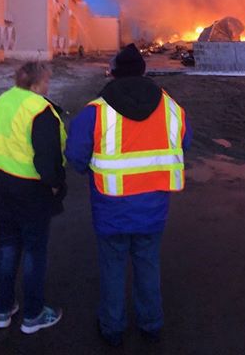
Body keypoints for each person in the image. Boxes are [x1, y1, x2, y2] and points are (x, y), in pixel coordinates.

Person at [66, 44, 191, 347]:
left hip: (111, 209)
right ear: (143, 71)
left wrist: (91, 169)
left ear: (115, 72)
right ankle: (151, 324)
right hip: (153, 209)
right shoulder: (172, 108)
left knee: (112, 268)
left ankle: (112, 328)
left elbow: (75, 155)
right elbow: (182, 145)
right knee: (148, 264)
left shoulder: (95, 111)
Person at [0, 61, 66, 334]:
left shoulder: (2, 101)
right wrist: (55, 184)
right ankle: (33, 315)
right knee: (33, 250)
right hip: (29, 189)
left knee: (7, 246)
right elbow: (47, 155)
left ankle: (3, 311)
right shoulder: (40, 108)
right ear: (36, 84)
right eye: (47, 81)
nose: (49, 85)